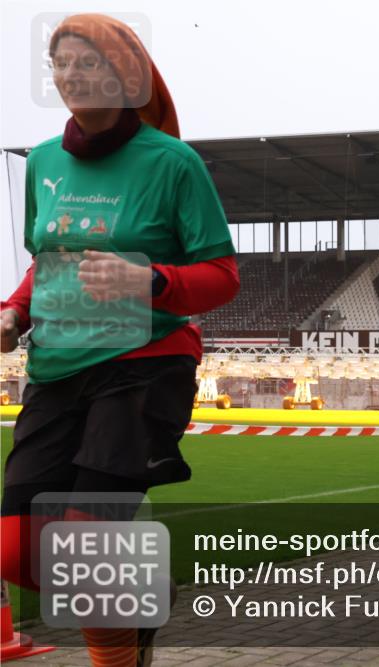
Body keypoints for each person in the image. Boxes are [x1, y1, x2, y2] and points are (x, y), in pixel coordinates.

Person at [0, 14, 239, 666]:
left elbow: (222, 276)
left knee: (84, 543)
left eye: (90, 62)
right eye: (62, 64)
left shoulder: (173, 163)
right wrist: (14, 313)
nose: (73, 75)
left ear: (126, 74)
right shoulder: (45, 161)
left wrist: (148, 279)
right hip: (57, 369)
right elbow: (48, 262)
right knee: (17, 548)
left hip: (146, 364)